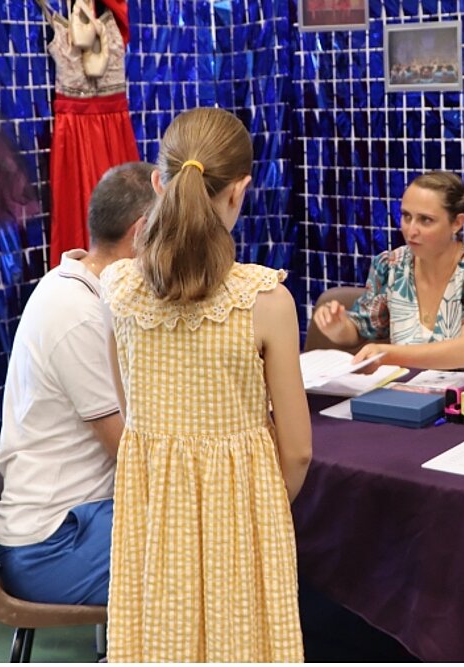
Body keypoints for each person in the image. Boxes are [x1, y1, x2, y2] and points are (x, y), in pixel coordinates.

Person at [100, 106, 311, 662]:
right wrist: (257, 503)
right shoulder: (266, 301)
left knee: (161, 645)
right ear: (241, 192)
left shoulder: (118, 288)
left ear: (156, 183)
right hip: (241, 518)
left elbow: (130, 407)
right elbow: (299, 452)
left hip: (152, 516)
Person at [0, 161, 156, 606]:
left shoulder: (85, 290)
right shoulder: (76, 313)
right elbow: (129, 453)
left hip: (82, 518)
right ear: (141, 234)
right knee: (203, 554)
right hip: (51, 543)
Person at [313, 171, 464, 380]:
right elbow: (360, 331)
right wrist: (339, 327)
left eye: (425, 220)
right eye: (406, 217)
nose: (411, 230)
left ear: (457, 223)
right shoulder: (390, 265)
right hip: (420, 390)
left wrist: (388, 355)